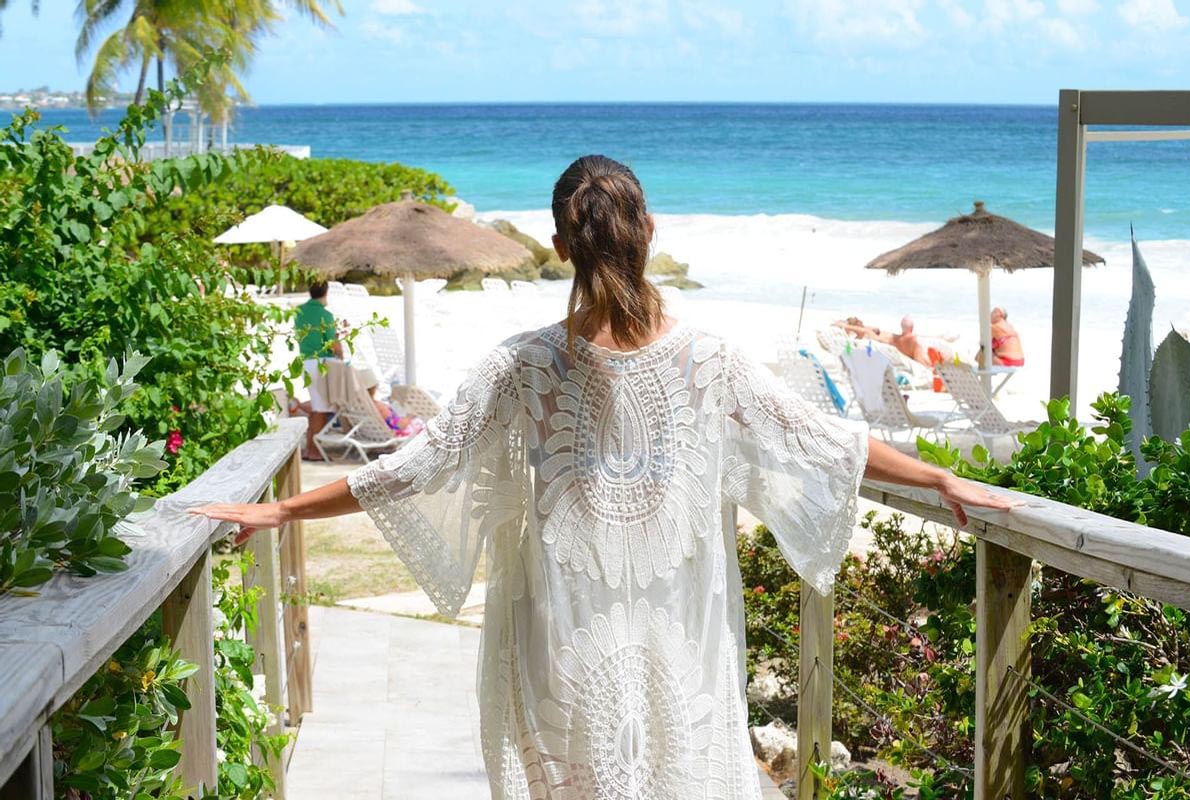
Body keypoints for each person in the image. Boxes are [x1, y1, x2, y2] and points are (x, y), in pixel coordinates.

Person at [193, 155, 1017, 798]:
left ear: (559, 247)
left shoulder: (520, 365)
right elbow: (828, 443)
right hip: (681, 649)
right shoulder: (712, 361)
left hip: (563, 645)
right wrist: (938, 480)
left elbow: (410, 469)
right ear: (649, 230)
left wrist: (282, 511)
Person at [295, 282, 343, 460]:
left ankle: (310, 448)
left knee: (317, 406)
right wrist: (342, 356)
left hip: (306, 362)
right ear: (326, 292)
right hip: (321, 363)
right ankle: (313, 450)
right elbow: (332, 343)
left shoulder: (299, 312)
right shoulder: (325, 315)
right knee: (320, 408)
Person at [836, 315, 933, 367]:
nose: (862, 323)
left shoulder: (867, 331)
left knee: (917, 346)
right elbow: (840, 324)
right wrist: (851, 325)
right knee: (917, 348)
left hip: (896, 342)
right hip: (894, 346)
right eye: (859, 322)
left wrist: (870, 328)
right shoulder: (864, 332)